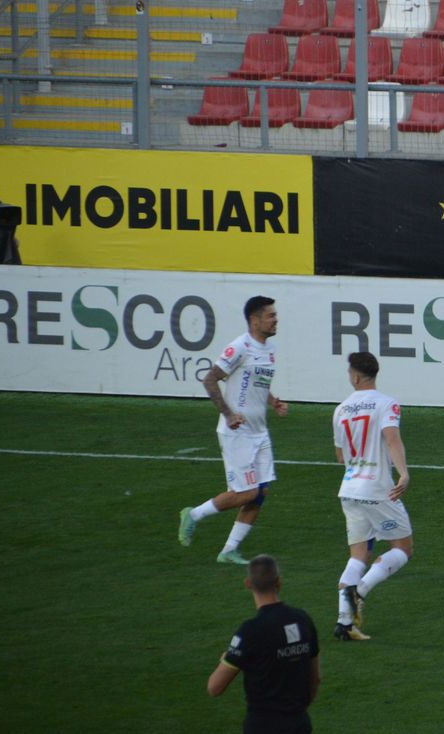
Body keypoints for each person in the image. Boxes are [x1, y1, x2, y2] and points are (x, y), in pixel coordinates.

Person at [180, 296, 289, 564]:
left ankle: (229, 550)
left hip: (260, 432)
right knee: (247, 493)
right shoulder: (239, 347)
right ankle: (193, 514)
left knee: (260, 493)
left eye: (275, 315)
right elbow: (210, 379)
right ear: (255, 320)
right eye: (271, 316)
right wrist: (228, 415)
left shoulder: (269, 349)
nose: (276, 319)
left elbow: (258, 383)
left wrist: (273, 402)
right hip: (237, 433)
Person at [330, 351, 412, 642]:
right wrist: (403, 472)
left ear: (354, 376)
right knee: (402, 548)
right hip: (377, 489)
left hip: (349, 489)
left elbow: (340, 456)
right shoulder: (386, 403)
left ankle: (344, 623)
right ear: (374, 374)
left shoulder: (341, 409)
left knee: (358, 555)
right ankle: (359, 591)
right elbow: (392, 437)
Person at [207, 554, 321, 734]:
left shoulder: (250, 631)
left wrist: (226, 659)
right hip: (300, 722)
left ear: (248, 584)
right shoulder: (303, 619)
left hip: (262, 725)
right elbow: (315, 678)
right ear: (279, 582)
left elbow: (214, 687)